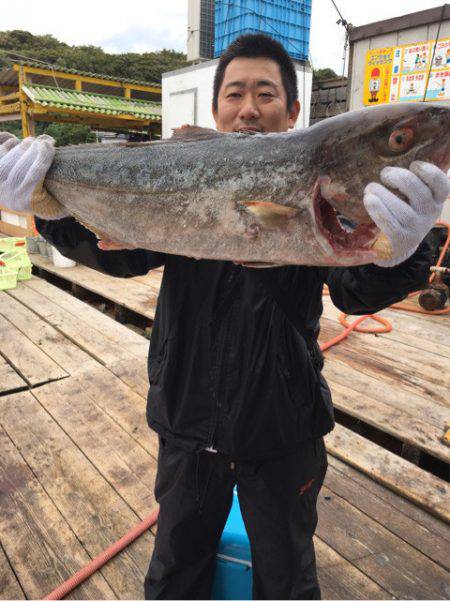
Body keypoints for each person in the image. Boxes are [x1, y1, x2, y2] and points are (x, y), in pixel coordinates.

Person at [0, 34, 448, 601]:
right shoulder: (190, 163)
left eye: (266, 94)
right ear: (215, 112)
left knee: (286, 576)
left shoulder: (322, 195)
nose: (249, 107)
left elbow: (354, 295)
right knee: (176, 567)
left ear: (293, 113)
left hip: (284, 424)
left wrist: (404, 247)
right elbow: (125, 256)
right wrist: (47, 210)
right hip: (185, 415)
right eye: (235, 93)